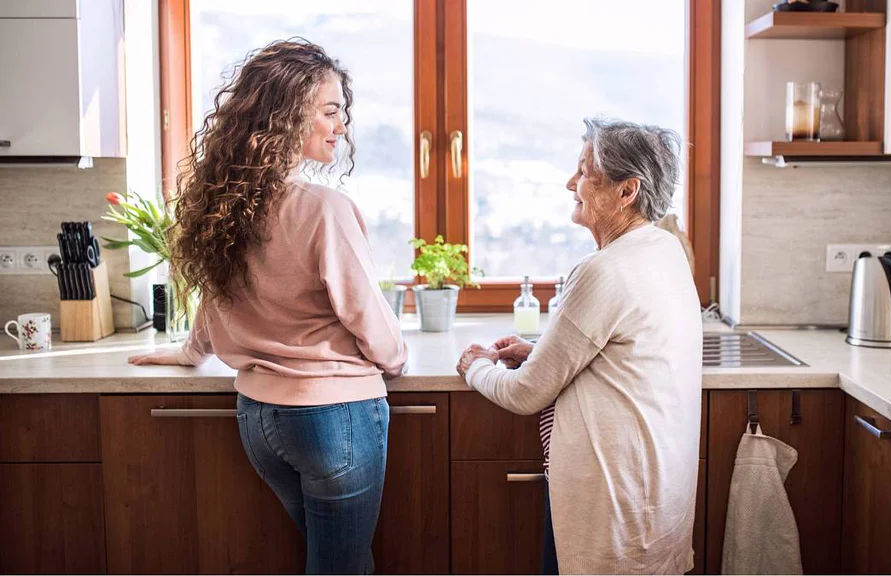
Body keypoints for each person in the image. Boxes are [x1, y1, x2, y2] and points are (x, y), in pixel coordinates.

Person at [128, 39, 407, 574]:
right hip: (334, 417)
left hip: (259, 421)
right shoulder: (325, 207)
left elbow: (215, 296)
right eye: (329, 111)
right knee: (343, 568)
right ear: (287, 116)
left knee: (330, 560)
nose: (340, 126)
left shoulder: (225, 205)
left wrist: (191, 351)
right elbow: (364, 312)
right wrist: (394, 361)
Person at [457, 118, 703, 574]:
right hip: (653, 496)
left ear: (627, 190)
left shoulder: (604, 270)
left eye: (586, 171)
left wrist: (475, 365)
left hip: (612, 506)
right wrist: (543, 353)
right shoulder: (662, 250)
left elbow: (524, 394)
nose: (572, 182)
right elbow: (622, 356)